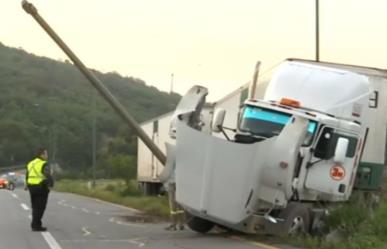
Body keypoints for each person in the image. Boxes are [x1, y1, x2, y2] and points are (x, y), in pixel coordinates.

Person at [26, 148, 53, 232]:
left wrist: (26, 185)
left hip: (31, 187)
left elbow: (27, 175)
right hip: (41, 187)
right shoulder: (44, 163)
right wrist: (51, 185)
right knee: (40, 207)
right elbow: (47, 174)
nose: (47, 156)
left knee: (35, 207)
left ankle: (35, 224)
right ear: (42, 155)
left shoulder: (31, 163)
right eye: (46, 154)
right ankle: (36, 225)